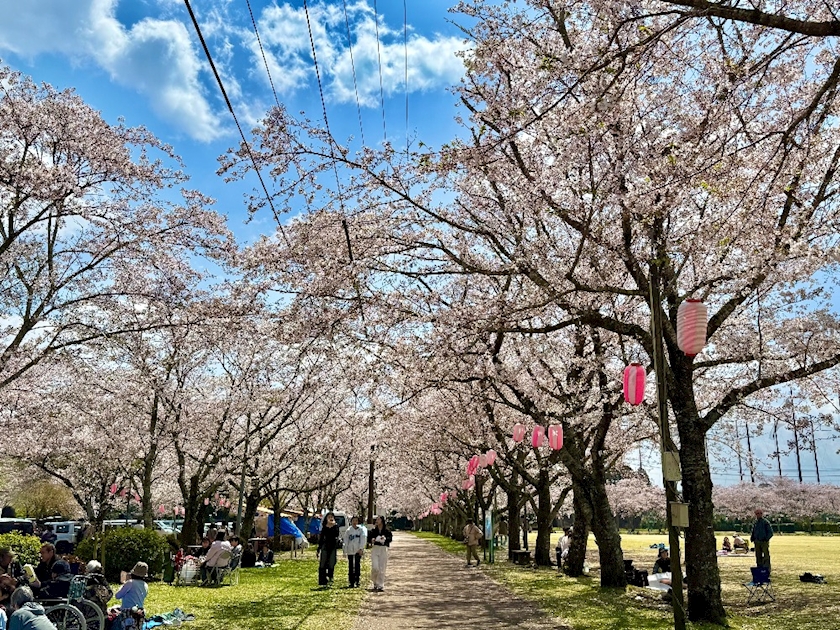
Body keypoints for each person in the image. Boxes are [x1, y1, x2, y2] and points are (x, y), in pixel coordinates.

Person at [367, 516, 392, 592]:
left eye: (378, 519)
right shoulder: (374, 530)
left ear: (382, 521)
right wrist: (372, 540)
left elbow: (390, 538)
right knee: (375, 567)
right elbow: (369, 538)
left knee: (382, 567)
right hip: (375, 548)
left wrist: (385, 539)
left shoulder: (387, 531)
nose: (377, 521)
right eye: (376, 519)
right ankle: (374, 581)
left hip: (383, 549)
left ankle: (380, 584)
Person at [341, 516, 367, 588]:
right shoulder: (348, 531)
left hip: (357, 551)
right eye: (353, 521)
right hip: (350, 551)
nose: (355, 522)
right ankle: (351, 581)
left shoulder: (361, 530)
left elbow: (363, 539)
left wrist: (361, 548)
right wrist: (345, 551)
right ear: (351, 522)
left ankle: (357, 580)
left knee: (357, 566)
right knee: (351, 566)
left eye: (356, 521)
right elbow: (345, 541)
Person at [316, 513, 340, 587]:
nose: (330, 518)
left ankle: (330, 577)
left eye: (331, 517)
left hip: (332, 547)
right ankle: (322, 580)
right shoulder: (324, 527)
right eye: (329, 517)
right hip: (325, 547)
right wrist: (318, 549)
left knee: (331, 562)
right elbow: (321, 538)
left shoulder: (336, 526)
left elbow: (336, 535)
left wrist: (333, 525)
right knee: (323, 563)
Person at [750, 508, 773, 573]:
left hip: (764, 542)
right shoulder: (755, 523)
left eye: (759, 513)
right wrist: (752, 538)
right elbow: (753, 531)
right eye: (757, 514)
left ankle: (766, 568)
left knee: (766, 555)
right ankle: (759, 568)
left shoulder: (765, 522)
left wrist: (766, 539)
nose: (758, 515)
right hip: (757, 542)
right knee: (758, 556)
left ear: (762, 514)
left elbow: (770, 532)